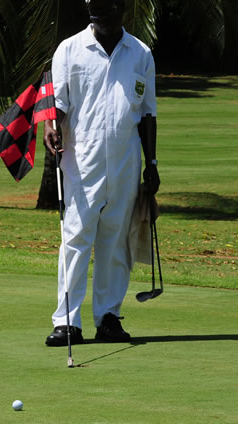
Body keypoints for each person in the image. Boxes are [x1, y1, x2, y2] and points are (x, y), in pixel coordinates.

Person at [43, 0, 159, 346]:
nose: (98, 20)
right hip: (82, 163)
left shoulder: (140, 53)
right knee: (76, 240)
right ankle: (67, 322)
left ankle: (108, 317)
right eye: (93, 13)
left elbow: (148, 113)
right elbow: (58, 103)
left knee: (114, 243)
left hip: (125, 163)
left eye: (105, 13)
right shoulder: (69, 49)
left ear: (121, 10)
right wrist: (52, 127)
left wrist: (152, 164)